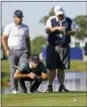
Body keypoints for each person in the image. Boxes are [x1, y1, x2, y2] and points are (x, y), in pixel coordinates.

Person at [45, 5, 76, 92]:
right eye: (58, 15)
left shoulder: (68, 20)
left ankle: (61, 86)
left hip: (64, 46)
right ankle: (50, 86)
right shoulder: (51, 20)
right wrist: (56, 28)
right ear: (55, 14)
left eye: (61, 14)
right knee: (52, 68)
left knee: (62, 68)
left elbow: (74, 31)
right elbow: (47, 30)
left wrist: (67, 32)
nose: (60, 16)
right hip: (52, 46)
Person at [2, 10, 31, 94]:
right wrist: (6, 49)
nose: (20, 19)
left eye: (21, 17)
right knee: (13, 70)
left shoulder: (26, 27)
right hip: (12, 50)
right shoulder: (9, 27)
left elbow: (27, 40)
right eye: (18, 17)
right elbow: (3, 38)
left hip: (23, 51)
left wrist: (29, 51)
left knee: (24, 68)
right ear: (14, 17)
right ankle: (14, 89)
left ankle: (27, 89)